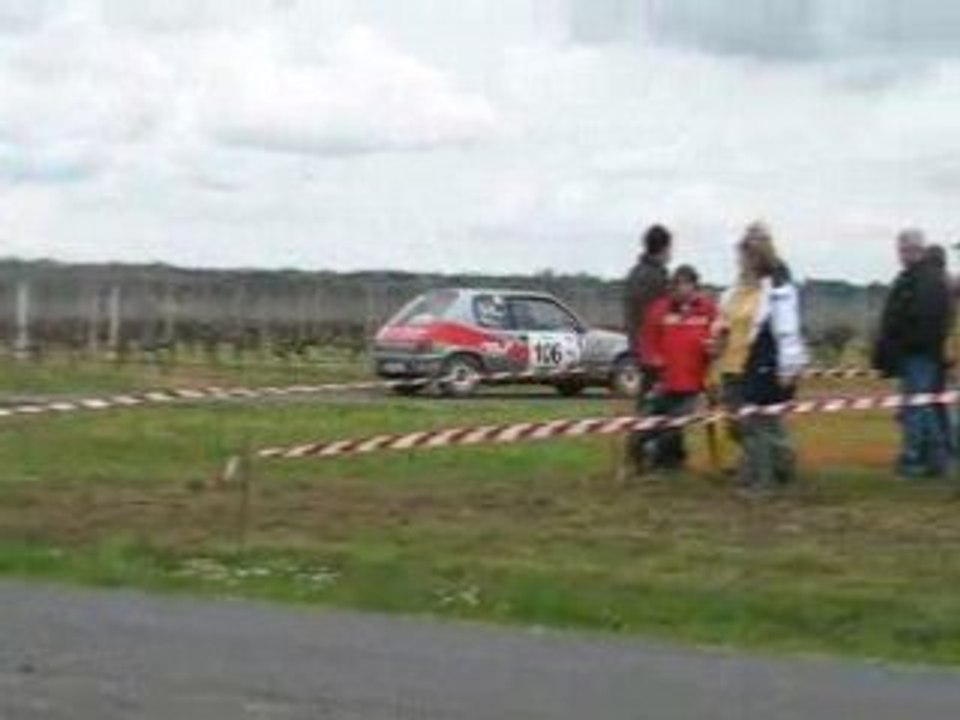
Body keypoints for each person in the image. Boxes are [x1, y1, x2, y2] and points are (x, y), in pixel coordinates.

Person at [714, 223, 808, 492]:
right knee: (737, 427)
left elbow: (787, 329)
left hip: (757, 366)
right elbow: (723, 320)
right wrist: (716, 335)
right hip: (729, 366)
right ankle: (779, 461)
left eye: (747, 255)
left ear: (758, 257)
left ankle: (761, 480)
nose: (742, 261)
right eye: (741, 255)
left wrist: (788, 365)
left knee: (756, 426)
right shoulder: (732, 291)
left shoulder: (776, 289)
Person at [873, 230, 952, 478]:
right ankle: (937, 460)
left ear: (915, 249)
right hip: (914, 354)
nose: (900, 254)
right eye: (899, 249)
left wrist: (904, 345)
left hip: (920, 355)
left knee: (916, 409)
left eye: (903, 249)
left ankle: (912, 460)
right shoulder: (912, 277)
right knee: (922, 407)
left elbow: (926, 321)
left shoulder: (926, 280)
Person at [633, 265, 717, 472]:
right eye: (678, 285)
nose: (682, 290)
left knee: (674, 427)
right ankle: (638, 460)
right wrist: (654, 361)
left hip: (693, 383)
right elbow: (646, 341)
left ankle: (664, 460)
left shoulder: (708, 310)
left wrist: (713, 348)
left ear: (695, 286)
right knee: (645, 424)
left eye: (687, 285)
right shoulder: (659, 309)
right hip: (663, 381)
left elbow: (718, 339)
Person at [623, 224, 673, 475]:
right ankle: (638, 457)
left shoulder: (634, 274)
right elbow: (664, 315)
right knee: (654, 407)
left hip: (638, 348)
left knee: (649, 404)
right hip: (654, 352)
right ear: (663, 248)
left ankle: (649, 457)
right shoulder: (658, 277)